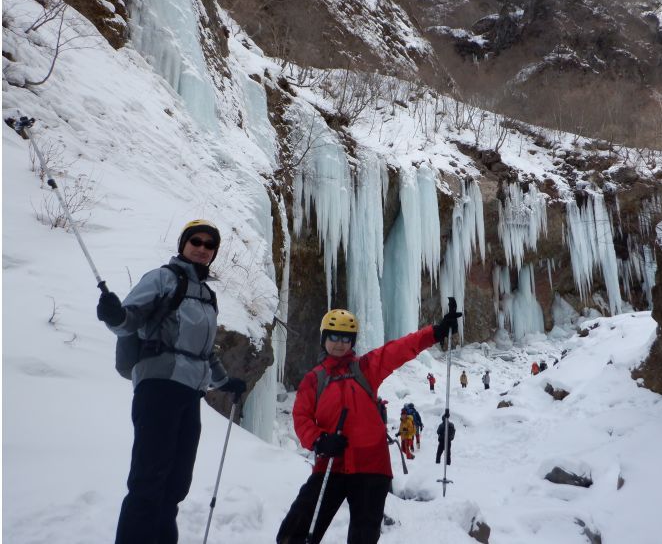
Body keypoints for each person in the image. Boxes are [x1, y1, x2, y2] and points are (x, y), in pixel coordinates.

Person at [96, 219, 247, 544]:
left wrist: (224, 383)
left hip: (190, 394)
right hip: (159, 386)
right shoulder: (163, 278)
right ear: (183, 244)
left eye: (210, 245)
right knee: (149, 479)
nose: (203, 248)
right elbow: (129, 320)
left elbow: (204, 353)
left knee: (176, 483)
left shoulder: (207, 296)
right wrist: (114, 315)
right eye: (196, 241)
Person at [276, 304, 462, 544]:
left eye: (346, 338)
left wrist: (436, 332)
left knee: (363, 537)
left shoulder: (365, 368)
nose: (339, 343)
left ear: (352, 342)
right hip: (331, 464)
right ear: (324, 339)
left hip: (371, 467)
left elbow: (399, 349)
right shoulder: (314, 379)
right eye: (334, 336)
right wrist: (320, 440)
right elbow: (301, 418)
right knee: (295, 529)